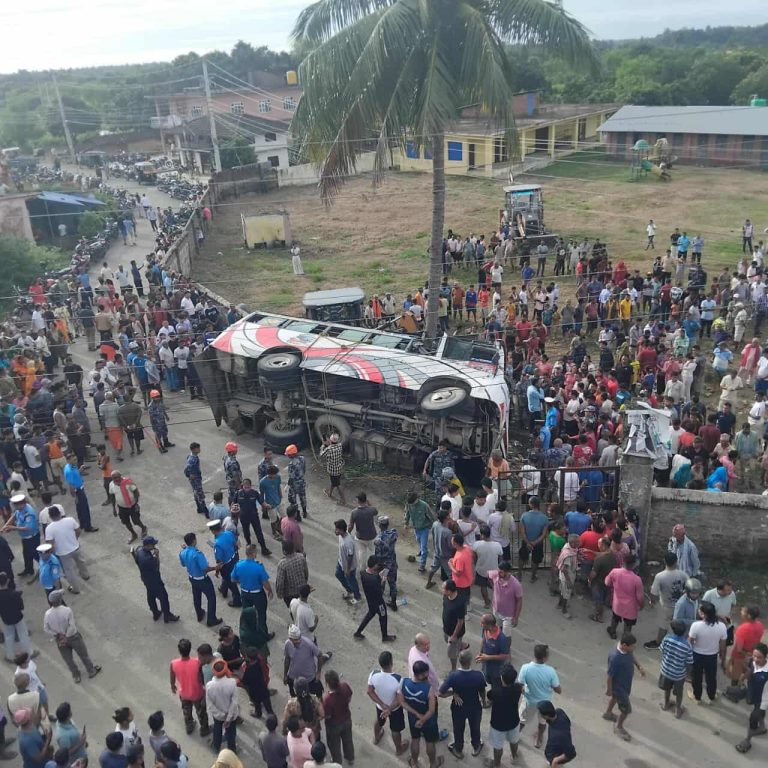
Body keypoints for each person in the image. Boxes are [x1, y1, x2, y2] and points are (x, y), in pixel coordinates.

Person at [43, 590, 101, 683]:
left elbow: (46, 628)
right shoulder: (67, 610)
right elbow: (72, 626)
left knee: (68, 659)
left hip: (59, 639)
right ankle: (91, 670)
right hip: (73, 637)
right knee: (83, 654)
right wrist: (66, 636)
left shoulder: (47, 614)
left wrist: (58, 634)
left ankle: (76, 675)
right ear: (60, 600)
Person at [439, 648, 486, 759]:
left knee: (458, 729)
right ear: (470, 661)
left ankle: (458, 749)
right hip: (475, 707)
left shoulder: (453, 676)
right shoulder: (478, 675)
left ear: (459, 661)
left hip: (458, 707)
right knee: (475, 727)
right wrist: (483, 702)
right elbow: (482, 691)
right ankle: (476, 746)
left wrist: (453, 693)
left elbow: (440, 693)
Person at [518, 644, 562, 749]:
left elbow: (519, 685)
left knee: (522, 720)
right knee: (542, 722)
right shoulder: (551, 671)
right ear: (544, 657)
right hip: (545, 703)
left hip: (529, 701)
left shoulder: (525, 668)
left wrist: (524, 692)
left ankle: (515, 736)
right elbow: (558, 690)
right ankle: (538, 739)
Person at [398, 660, 440, 768]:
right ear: (422, 674)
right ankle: (433, 763)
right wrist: (422, 719)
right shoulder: (428, 689)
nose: (428, 674)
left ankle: (414, 763)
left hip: (413, 719)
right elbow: (431, 710)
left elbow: (401, 702)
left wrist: (416, 715)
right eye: (426, 672)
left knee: (415, 739)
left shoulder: (404, 682)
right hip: (428, 720)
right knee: (430, 742)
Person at [603, 632, 644, 742]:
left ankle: (608, 713)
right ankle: (619, 727)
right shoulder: (616, 658)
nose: (634, 648)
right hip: (619, 688)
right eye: (632, 646)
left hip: (624, 685)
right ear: (625, 645)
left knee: (614, 698)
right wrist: (609, 690)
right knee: (626, 710)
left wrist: (639, 666)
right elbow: (609, 676)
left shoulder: (627, 651)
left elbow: (632, 656)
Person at [367, 651, 409, 756]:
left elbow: (370, 691)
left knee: (379, 721)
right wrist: (389, 709)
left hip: (380, 707)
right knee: (395, 730)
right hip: (394, 710)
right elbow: (399, 699)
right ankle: (399, 749)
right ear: (391, 663)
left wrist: (382, 705)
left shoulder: (373, 674)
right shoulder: (398, 679)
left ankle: (376, 738)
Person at [644, 552, 688, 650]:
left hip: (665, 605)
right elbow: (688, 588)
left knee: (663, 625)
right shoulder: (683, 575)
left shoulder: (660, 576)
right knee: (679, 626)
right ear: (676, 562)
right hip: (680, 605)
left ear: (664, 561)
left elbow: (654, 593)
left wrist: (653, 602)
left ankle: (659, 642)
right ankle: (677, 644)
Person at [178, 532, 222, 627]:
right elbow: (205, 569)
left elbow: (183, 564)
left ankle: (199, 614)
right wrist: (216, 567)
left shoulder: (182, 552)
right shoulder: (198, 554)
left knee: (196, 596)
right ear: (194, 541)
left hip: (192, 578)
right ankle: (211, 619)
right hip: (202, 579)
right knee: (211, 597)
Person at [689, 600, 728, 705]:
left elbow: (690, 641)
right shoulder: (721, 626)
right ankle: (712, 695)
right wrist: (723, 657)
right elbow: (723, 645)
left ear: (702, 614)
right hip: (712, 656)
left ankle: (697, 697)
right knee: (711, 676)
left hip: (697, 655)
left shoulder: (696, 626)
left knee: (697, 677)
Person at [169, 638, 210, 736]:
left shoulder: (173, 663)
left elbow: (172, 677)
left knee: (187, 712)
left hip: (184, 694)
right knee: (201, 713)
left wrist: (172, 686)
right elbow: (202, 676)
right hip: (197, 693)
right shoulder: (197, 662)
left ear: (179, 651)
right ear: (190, 649)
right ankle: (204, 729)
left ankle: (189, 726)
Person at [134, 535, 178, 623]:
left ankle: (155, 612)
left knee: (151, 595)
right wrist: (157, 555)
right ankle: (167, 615)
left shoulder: (139, 550)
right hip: (154, 580)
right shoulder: (148, 559)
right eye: (152, 544)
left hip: (145, 578)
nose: (154, 546)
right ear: (147, 545)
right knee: (164, 597)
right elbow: (157, 567)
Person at [734, 641, 768, 754]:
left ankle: (747, 740)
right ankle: (762, 728)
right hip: (752, 691)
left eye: (759, 657)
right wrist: (743, 677)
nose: (755, 659)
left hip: (762, 700)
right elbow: (750, 670)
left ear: (766, 657)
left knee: (753, 719)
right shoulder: (752, 662)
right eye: (754, 656)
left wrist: (761, 708)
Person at [487, 664, 523, 767]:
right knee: (514, 740)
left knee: (497, 747)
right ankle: (514, 756)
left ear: (502, 678)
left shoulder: (495, 692)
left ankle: (497, 764)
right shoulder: (518, 688)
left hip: (498, 724)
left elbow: (488, 699)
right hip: (513, 721)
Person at [354, 556, 396, 642]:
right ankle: (384, 637)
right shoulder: (375, 578)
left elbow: (371, 579)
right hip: (379, 602)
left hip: (370, 600)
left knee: (370, 615)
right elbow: (381, 591)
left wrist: (378, 575)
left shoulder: (363, 573)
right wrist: (383, 580)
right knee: (383, 618)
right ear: (374, 566)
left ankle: (358, 632)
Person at [659, 620, 694, 719]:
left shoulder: (667, 638)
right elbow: (689, 662)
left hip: (666, 670)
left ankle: (666, 704)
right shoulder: (687, 645)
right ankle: (678, 710)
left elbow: (662, 650)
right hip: (678, 674)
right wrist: (688, 674)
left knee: (667, 689)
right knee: (679, 693)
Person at [605, 554, 644, 639]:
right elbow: (640, 597)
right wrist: (641, 606)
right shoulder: (637, 579)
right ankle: (625, 638)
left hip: (617, 604)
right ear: (633, 565)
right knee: (628, 624)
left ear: (623, 562)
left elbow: (607, 583)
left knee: (615, 618)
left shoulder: (615, 572)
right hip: (630, 608)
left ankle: (613, 632)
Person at [283, 625, 326, 698]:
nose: (298, 641)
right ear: (290, 639)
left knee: (318, 692)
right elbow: (287, 659)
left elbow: (319, 655)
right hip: (294, 678)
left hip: (309, 678)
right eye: (295, 640)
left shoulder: (309, 644)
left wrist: (318, 672)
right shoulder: (287, 644)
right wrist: (285, 675)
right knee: (295, 696)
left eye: (299, 638)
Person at [206, 659, 239, 753]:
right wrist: (228, 718)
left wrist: (221, 715)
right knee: (231, 732)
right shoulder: (232, 682)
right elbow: (234, 702)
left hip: (218, 716)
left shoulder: (209, 686)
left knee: (217, 729)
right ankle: (232, 750)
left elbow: (210, 705)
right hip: (231, 715)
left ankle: (216, 747)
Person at [322, 670, 355, 765]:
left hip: (333, 725)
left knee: (334, 745)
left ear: (327, 683)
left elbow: (328, 716)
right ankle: (350, 758)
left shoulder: (327, 699)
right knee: (348, 740)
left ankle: (337, 763)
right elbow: (349, 697)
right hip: (346, 719)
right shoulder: (345, 686)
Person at [0, 571, 33, 662]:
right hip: (18, 617)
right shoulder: (14, 594)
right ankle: (28, 653)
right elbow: (21, 607)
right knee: (23, 635)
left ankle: (10, 656)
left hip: (6, 619)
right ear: (7, 581)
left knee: (9, 637)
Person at [208, 519, 242, 608]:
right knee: (228, 578)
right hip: (234, 559)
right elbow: (235, 545)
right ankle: (223, 589)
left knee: (230, 581)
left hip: (226, 565)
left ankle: (237, 600)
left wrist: (217, 571)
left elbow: (219, 560)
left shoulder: (217, 544)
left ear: (213, 531)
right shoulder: (229, 533)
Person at [109, 470, 148, 544]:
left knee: (136, 521)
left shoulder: (128, 482)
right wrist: (114, 508)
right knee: (126, 523)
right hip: (122, 508)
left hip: (132, 506)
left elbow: (136, 492)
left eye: (117, 477)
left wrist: (136, 503)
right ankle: (134, 534)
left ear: (120, 476)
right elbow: (112, 497)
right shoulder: (111, 485)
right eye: (114, 478)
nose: (116, 479)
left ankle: (143, 528)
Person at [487, 562, 523, 638]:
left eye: (501, 572)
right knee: (497, 630)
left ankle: (506, 649)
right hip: (496, 611)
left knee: (506, 636)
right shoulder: (496, 574)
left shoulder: (516, 585)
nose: (498, 573)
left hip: (508, 615)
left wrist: (516, 618)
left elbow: (519, 601)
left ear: (507, 572)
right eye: (498, 571)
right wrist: (493, 587)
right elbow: (488, 575)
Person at [476, 614, 511, 690]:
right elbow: (484, 639)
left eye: (482, 623)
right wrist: (480, 653)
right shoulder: (485, 630)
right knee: (488, 681)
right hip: (486, 667)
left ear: (489, 625)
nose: (480, 624)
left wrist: (488, 657)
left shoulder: (502, 638)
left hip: (496, 671)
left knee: (496, 687)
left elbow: (505, 656)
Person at [537, 701, 576, 767]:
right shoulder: (559, 712)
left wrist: (555, 761)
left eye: (540, 713)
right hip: (553, 750)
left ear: (546, 716)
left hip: (553, 758)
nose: (539, 714)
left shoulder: (559, 735)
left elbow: (571, 753)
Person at [404, 491, 433, 573]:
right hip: (416, 527)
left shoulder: (424, 505)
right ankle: (421, 550)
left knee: (424, 547)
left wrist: (432, 526)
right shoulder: (409, 503)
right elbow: (407, 513)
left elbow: (431, 516)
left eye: (413, 503)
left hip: (424, 528)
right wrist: (406, 523)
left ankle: (422, 565)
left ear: (416, 500)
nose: (412, 505)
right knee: (418, 540)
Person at [374, 515, 399, 609]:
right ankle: (393, 603)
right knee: (392, 584)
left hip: (383, 565)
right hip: (392, 563)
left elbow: (378, 555)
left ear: (380, 525)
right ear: (387, 524)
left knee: (381, 582)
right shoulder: (393, 533)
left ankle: (379, 602)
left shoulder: (378, 540)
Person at [334, 519, 360, 604]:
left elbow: (350, 555)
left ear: (341, 530)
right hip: (341, 562)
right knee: (338, 574)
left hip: (349, 567)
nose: (335, 530)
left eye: (337, 529)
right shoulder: (341, 536)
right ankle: (349, 591)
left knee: (352, 581)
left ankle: (357, 596)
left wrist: (348, 569)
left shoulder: (348, 542)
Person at [319, 434, 346, 505]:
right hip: (339, 468)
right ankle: (329, 493)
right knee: (334, 482)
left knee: (338, 484)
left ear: (330, 440)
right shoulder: (340, 445)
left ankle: (343, 500)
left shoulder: (329, 449)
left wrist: (323, 445)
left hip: (333, 470)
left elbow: (321, 455)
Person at [184, 442, 207, 516]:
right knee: (200, 494)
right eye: (198, 448)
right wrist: (189, 475)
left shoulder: (193, 456)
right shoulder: (192, 459)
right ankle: (205, 510)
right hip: (195, 479)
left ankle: (199, 508)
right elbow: (186, 469)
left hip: (195, 478)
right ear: (194, 449)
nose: (199, 449)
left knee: (196, 493)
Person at [285, 445, 308, 519]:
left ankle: (297, 515)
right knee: (303, 497)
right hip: (301, 481)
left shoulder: (291, 464)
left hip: (294, 484)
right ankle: (304, 512)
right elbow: (304, 469)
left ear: (292, 454)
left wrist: (287, 486)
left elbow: (291, 477)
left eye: (288, 454)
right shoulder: (302, 458)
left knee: (292, 499)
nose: (288, 456)